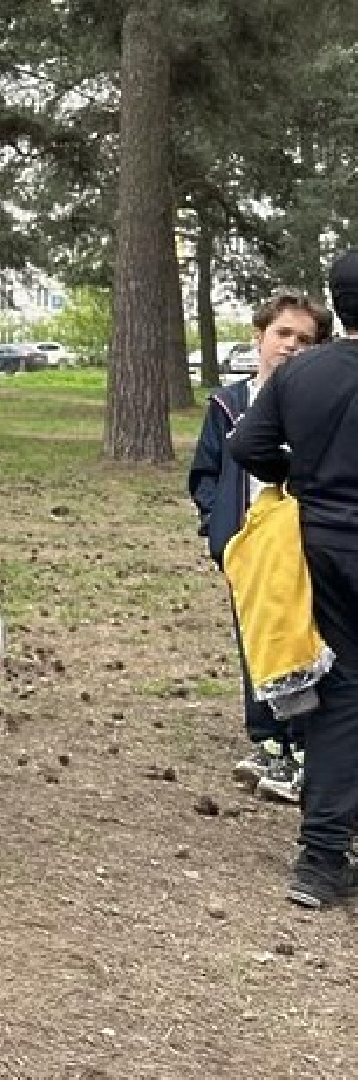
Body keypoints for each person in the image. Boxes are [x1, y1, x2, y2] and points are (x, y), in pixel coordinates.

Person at [228, 251, 358, 910]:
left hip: (321, 548)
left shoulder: (301, 372)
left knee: (339, 698)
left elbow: (246, 447)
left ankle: (320, 859)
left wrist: (296, 473)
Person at [189, 290, 331, 803]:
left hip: (301, 550)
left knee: (296, 641)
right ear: (259, 337)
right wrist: (218, 528)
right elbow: (205, 473)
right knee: (254, 640)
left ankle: (303, 748)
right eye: (282, 334)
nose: (291, 346)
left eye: (305, 339)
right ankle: (268, 739)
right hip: (245, 548)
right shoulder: (229, 404)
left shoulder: (319, 403)